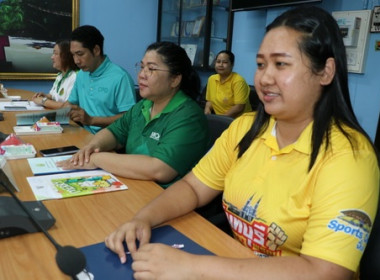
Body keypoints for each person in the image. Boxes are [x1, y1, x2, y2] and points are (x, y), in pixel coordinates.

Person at [105, 6, 380, 279]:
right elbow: (192, 187)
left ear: (325, 72)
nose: (264, 78)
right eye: (261, 65)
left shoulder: (349, 156)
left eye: (281, 64)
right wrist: (142, 219)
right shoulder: (246, 128)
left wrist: (194, 267)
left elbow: (326, 271)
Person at [57, 41, 209, 188]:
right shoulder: (144, 105)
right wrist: (92, 146)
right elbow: (114, 132)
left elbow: (160, 169)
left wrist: (97, 158)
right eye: (142, 67)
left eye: (152, 69)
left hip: (165, 197)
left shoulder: (188, 116)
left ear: (175, 79)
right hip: (134, 185)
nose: (142, 75)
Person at [64, 25, 136, 134]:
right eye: (73, 55)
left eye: (80, 54)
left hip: (110, 139)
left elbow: (129, 119)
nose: (76, 61)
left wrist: (92, 120)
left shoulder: (120, 77)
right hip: (83, 133)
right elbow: (70, 103)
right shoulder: (81, 75)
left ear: (96, 50)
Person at [204, 50, 252, 118]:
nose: (220, 65)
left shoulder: (238, 81)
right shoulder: (211, 79)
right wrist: (207, 109)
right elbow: (210, 101)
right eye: (218, 62)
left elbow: (239, 107)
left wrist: (221, 119)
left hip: (239, 120)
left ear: (232, 64)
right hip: (220, 118)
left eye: (225, 62)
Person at [32, 40, 78, 109]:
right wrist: (45, 96)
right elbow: (53, 96)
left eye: (56, 54)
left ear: (66, 56)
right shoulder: (60, 75)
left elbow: (67, 107)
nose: (52, 57)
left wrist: (43, 101)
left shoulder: (74, 77)